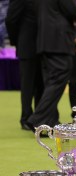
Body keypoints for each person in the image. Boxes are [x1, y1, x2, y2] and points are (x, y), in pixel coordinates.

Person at [25, 0, 76, 131]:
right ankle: (37, 119)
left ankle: (49, 121)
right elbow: (72, 9)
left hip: (45, 42)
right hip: (59, 42)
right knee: (57, 80)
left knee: (50, 82)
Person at [5, 0, 44, 131]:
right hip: (27, 45)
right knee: (28, 85)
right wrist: (17, 40)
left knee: (41, 84)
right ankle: (26, 118)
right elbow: (10, 19)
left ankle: (39, 117)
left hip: (44, 46)